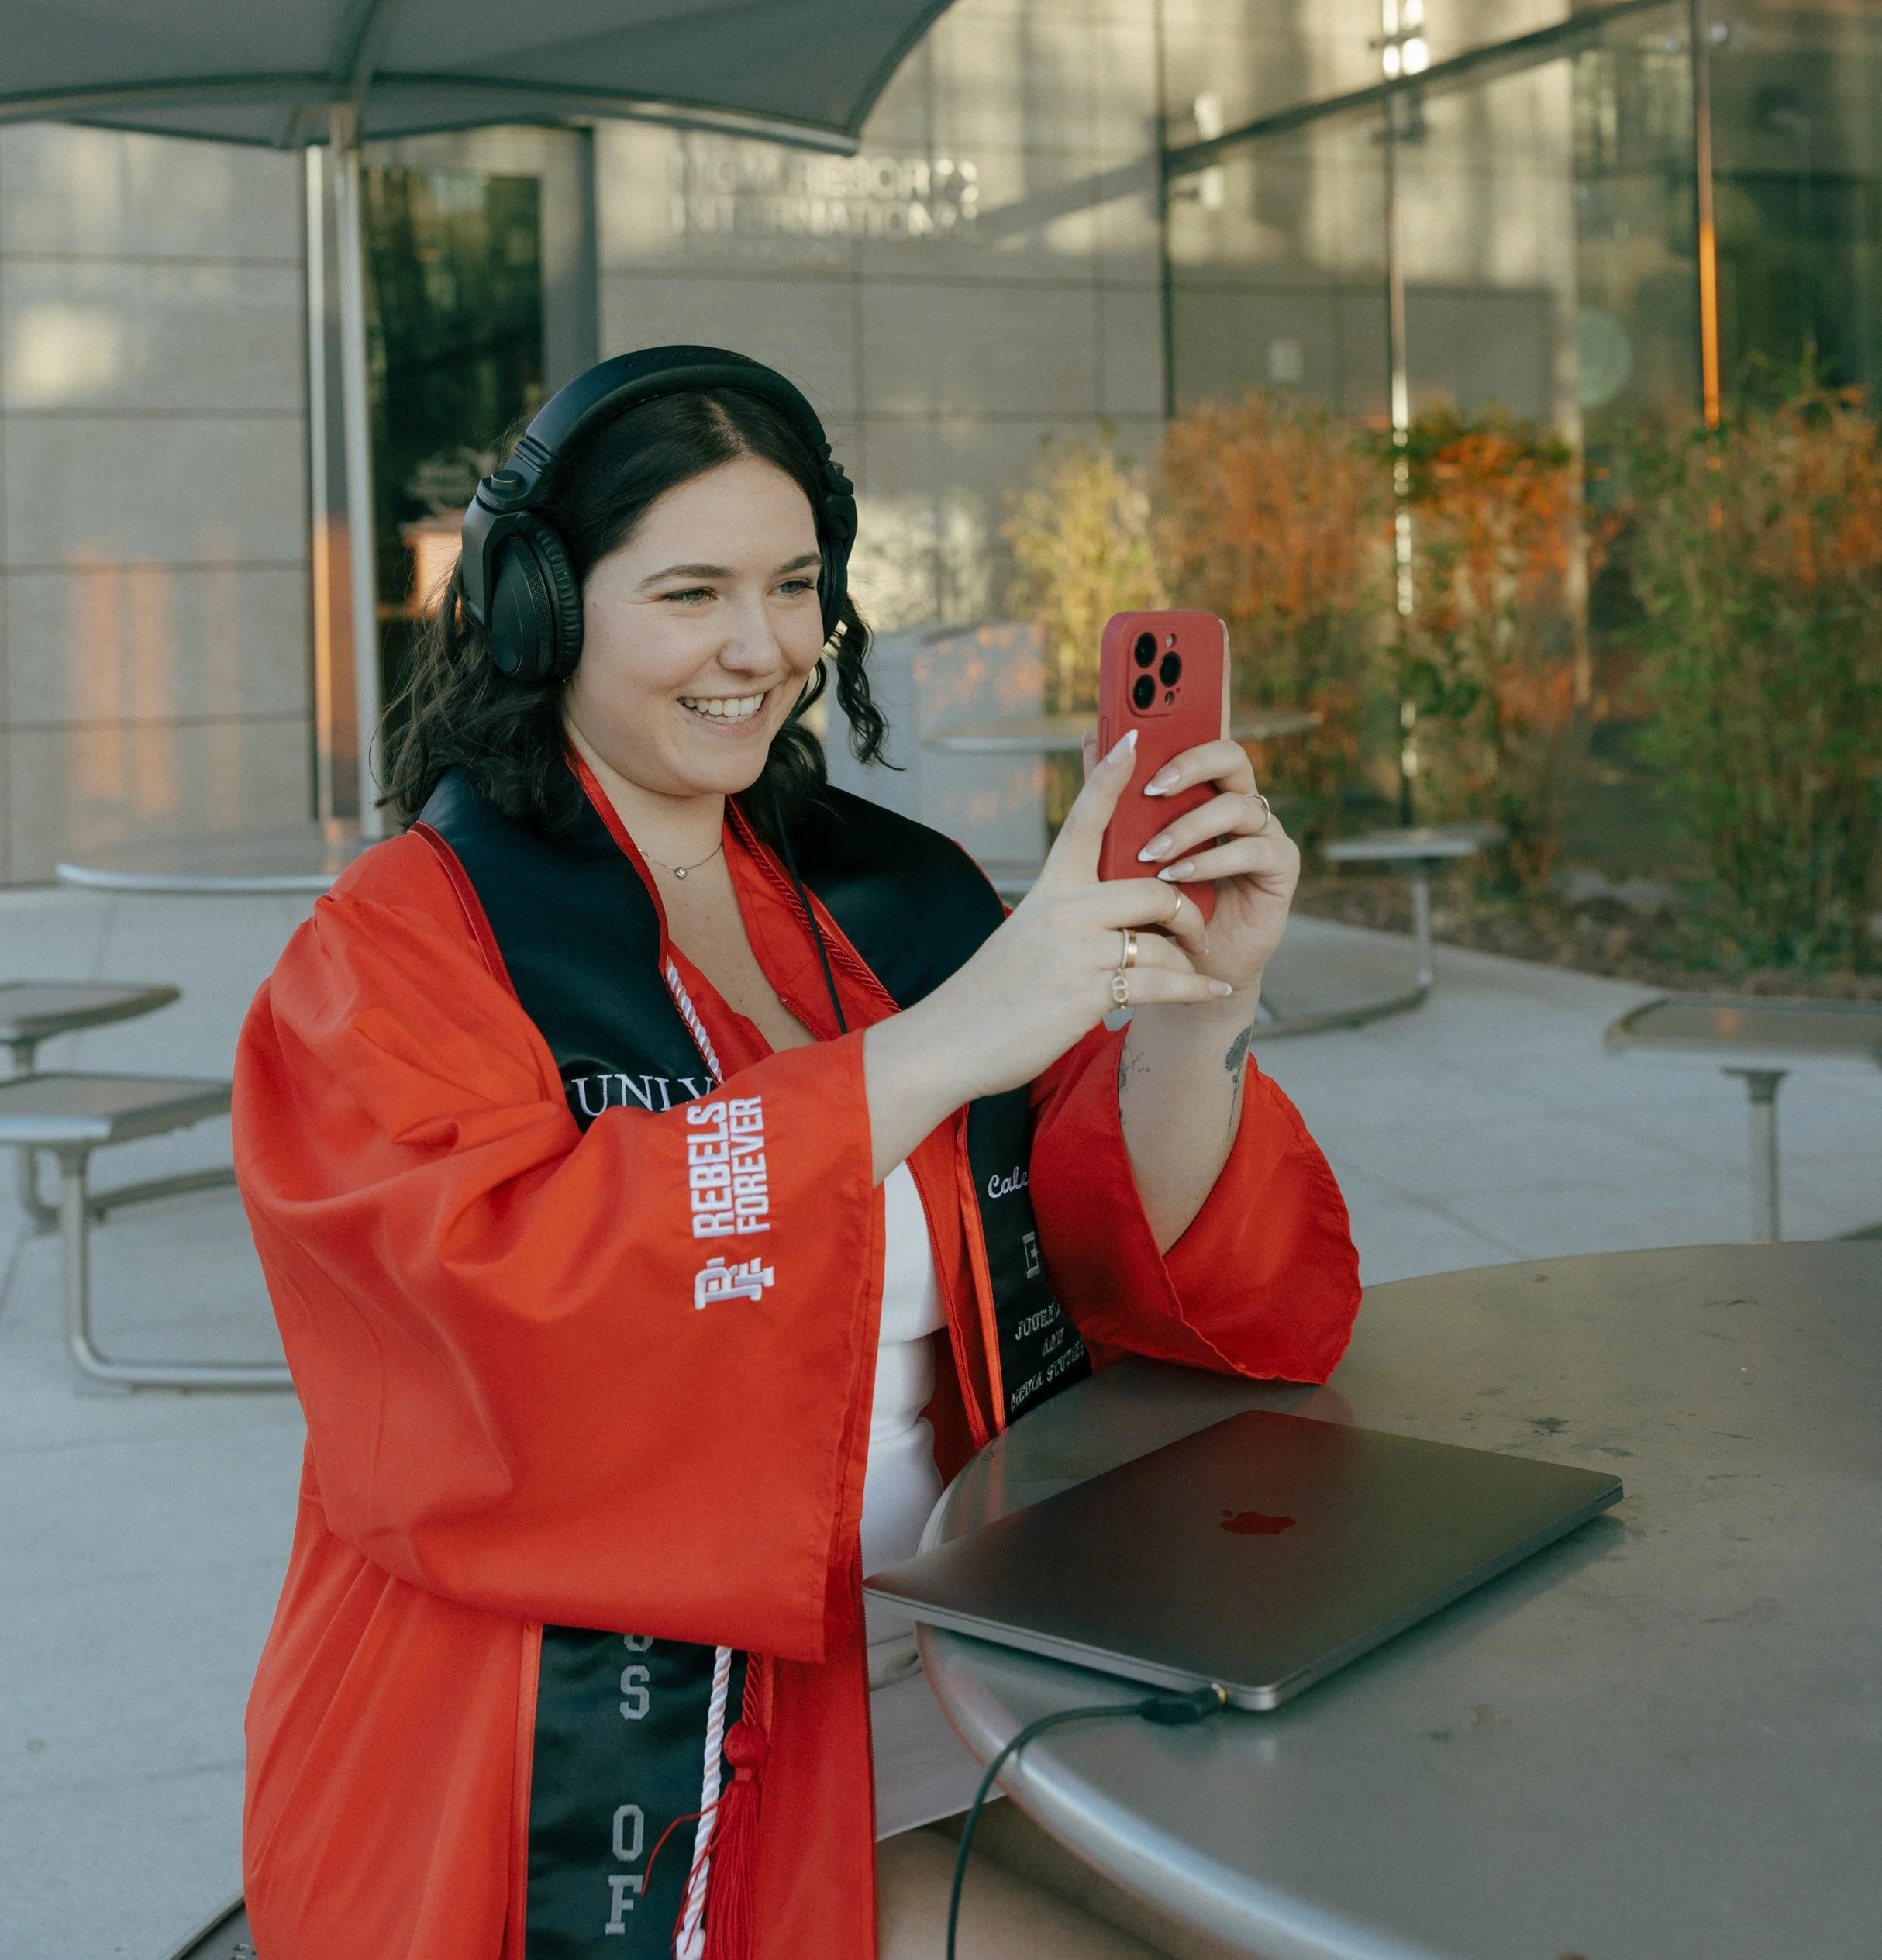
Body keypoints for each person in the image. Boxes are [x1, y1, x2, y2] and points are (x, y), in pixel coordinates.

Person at [233, 347, 1360, 1960]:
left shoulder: (883, 900)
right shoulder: (398, 950)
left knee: (1294, 1921)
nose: (756, 651)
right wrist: (945, 1044)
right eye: (688, 592)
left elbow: (1109, 1263)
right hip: (624, 1726)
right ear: (544, 609)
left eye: (791, 588)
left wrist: (1195, 1009)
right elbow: (507, 1315)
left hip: (968, 1652)